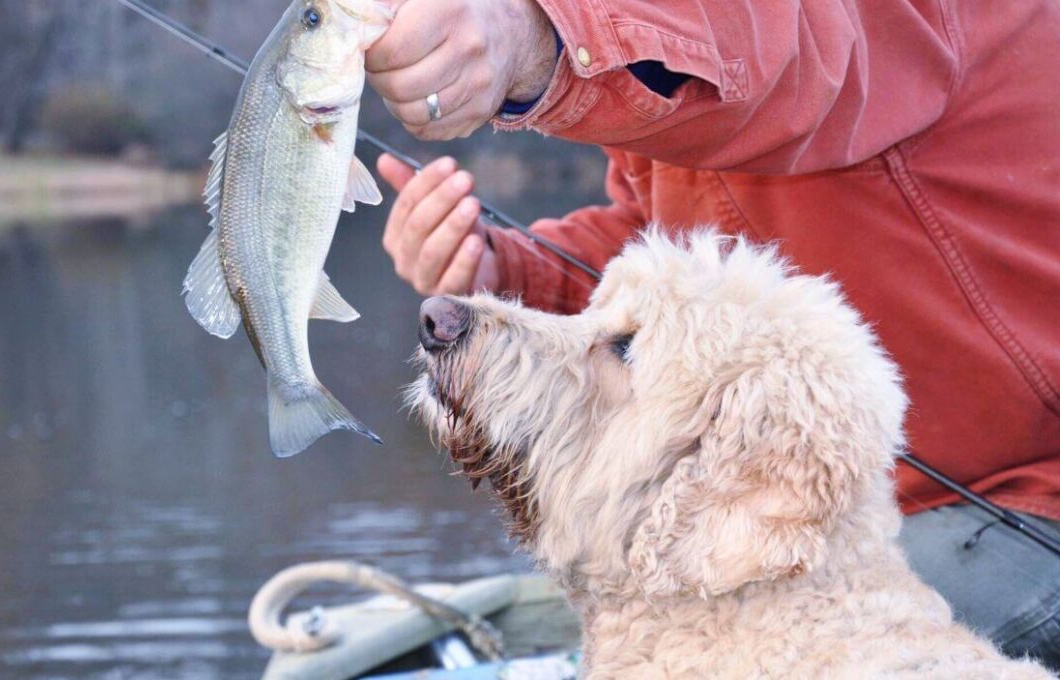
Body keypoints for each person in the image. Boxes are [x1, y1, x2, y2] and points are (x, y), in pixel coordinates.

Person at [365, 0, 1060, 666]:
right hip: (816, 518)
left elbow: (797, 59)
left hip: (1026, 499)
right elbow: (665, 250)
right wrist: (499, 265)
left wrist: (539, 37)